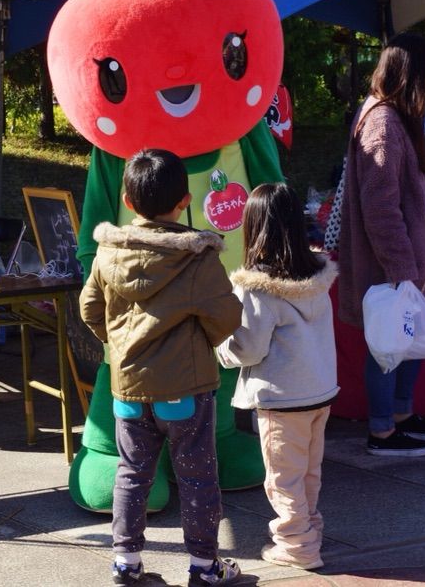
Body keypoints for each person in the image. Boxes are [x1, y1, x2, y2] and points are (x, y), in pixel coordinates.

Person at [80, 149, 243, 587]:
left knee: (132, 474)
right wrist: (201, 344)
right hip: (186, 389)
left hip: (128, 387)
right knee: (198, 478)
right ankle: (206, 569)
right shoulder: (197, 258)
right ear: (184, 200)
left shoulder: (106, 252)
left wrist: (119, 343)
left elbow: (90, 309)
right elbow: (226, 316)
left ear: (128, 202)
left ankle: (126, 564)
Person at [337, 33, 425, 457]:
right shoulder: (383, 121)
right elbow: (380, 205)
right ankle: (383, 432)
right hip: (394, 262)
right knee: (388, 346)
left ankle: (401, 417)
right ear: (415, 77)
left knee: (404, 342)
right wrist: (400, 265)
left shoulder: (387, 116)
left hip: (409, 259)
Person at [216, 183, 338, 571]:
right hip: (319, 390)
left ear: (253, 227)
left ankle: (298, 545)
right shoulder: (317, 275)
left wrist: (219, 349)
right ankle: (309, 528)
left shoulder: (256, 289)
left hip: (281, 399)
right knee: (307, 471)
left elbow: (248, 348)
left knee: (282, 478)